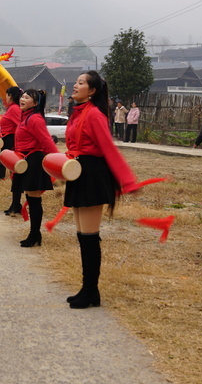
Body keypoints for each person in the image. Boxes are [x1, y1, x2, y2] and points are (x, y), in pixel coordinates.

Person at [63, 70, 137, 309]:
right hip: (78, 172)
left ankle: (90, 290)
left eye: (81, 83)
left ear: (92, 91)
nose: (75, 85)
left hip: (92, 175)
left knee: (89, 236)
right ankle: (89, 289)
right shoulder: (78, 112)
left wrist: (127, 180)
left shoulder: (94, 114)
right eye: (76, 82)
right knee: (82, 235)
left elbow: (108, 147)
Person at [14, 88, 58, 246]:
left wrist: (59, 164)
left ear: (35, 103)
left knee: (34, 200)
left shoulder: (34, 119)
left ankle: (35, 235)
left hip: (34, 161)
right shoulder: (25, 116)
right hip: (25, 160)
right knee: (30, 198)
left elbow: (46, 141)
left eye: (27, 97)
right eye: (22, 96)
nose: (22, 99)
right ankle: (34, 234)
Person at [0, 87, 24, 214]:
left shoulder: (14, 109)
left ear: (10, 95)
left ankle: (16, 203)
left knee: (15, 173)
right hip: (7, 140)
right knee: (13, 173)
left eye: (6, 95)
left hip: (12, 141)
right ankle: (15, 202)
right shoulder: (11, 108)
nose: (5, 97)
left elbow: (21, 126)